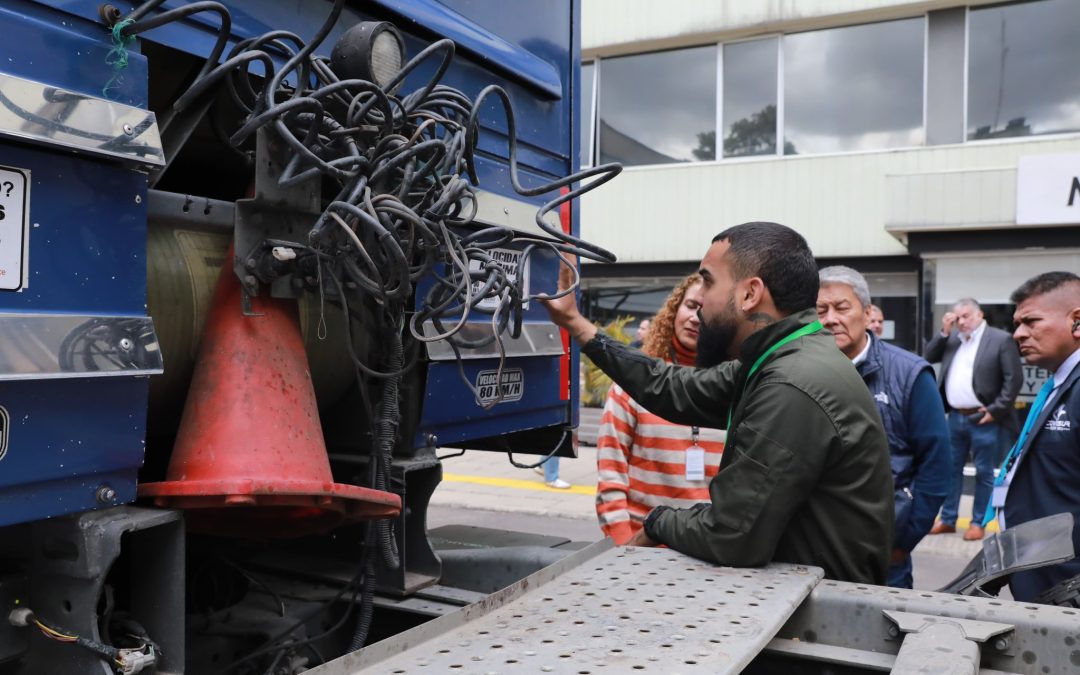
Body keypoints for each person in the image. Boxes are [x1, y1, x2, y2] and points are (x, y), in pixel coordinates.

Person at [541, 221, 893, 584]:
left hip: (822, 610)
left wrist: (658, 521)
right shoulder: (778, 359)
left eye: (708, 281)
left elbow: (733, 535)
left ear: (749, 294)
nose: (700, 302)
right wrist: (575, 323)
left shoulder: (792, 383)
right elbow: (673, 387)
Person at [817, 266, 950, 588]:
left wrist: (903, 541)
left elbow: (937, 464)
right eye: (820, 311)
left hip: (883, 556)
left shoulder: (909, 374)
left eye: (841, 307)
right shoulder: (802, 371)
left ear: (866, 312)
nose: (831, 318)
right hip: (812, 549)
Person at [596, 274, 725, 544]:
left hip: (709, 550)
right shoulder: (635, 381)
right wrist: (624, 550)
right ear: (674, 310)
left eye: (706, 310)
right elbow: (610, 477)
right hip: (641, 550)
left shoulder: (733, 386)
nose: (695, 317)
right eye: (690, 306)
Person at [985, 272, 1080, 602]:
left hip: (1067, 588)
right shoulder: (1057, 384)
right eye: (1016, 323)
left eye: (1031, 321)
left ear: (1077, 321)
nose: (1018, 334)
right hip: (1041, 581)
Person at [925, 298, 1022, 541]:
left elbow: (1014, 380)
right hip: (955, 416)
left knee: (983, 472)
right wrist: (944, 332)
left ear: (980, 315)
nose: (962, 322)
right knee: (951, 469)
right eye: (957, 318)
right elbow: (928, 356)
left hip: (984, 417)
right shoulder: (953, 340)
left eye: (966, 316)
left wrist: (995, 410)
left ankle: (979, 521)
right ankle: (948, 519)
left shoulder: (1000, 339)